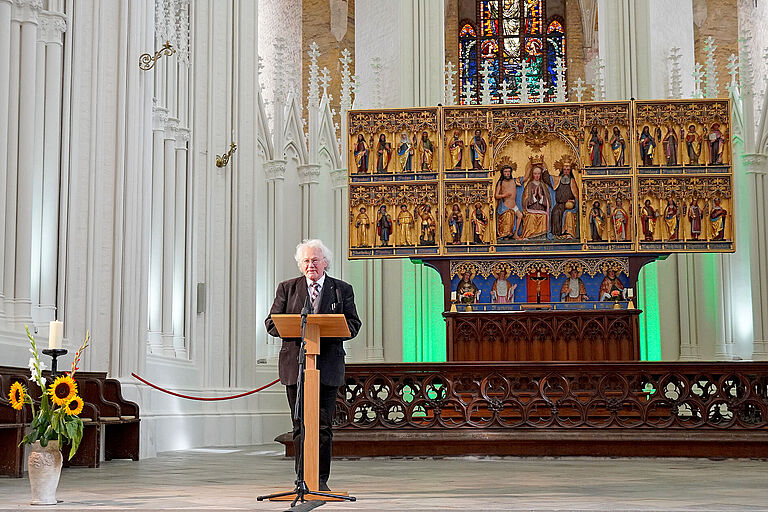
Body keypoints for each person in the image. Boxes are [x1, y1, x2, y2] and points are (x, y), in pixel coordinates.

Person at [265, 239, 361, 493]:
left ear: (325, 262)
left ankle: (320, 479)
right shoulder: (287, 288)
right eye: (306, 261)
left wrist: (327, 330)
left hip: (327, 366)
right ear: (300, 265)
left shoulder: (342, 289)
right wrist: (299, 328)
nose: (311, 265)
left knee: (323, 426)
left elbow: (353, 324)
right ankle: (301, 479)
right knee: (300, 424)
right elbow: (272, 324)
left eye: (315, 260)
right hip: (295, 367)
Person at [546, 157, 578, 238]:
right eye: (564, 169)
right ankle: (556, 234)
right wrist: (544, 168)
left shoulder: (572, 181)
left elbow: (576, 195)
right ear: (562, 170)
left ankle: (565, 233)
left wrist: (574, 202)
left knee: (566, 214)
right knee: (555, 212)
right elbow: (548, 179)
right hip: (559, 204)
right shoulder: (558, 179)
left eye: (568, 169)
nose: (566, 171)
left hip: (568, 205)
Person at [521, 164, 551, 239]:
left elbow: (548, 201)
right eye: (535, 174)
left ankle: (541, 236)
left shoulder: (543, 185)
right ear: (532, 174)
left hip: (541, 209)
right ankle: (529, 235)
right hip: (530, 209)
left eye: (538, 174)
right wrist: (533, 196)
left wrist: (541, 197)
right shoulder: (529, 185)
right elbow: (524, 200)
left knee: (543, 216)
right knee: (531, 217)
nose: (537, 176)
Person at [495, 164, 523, 240]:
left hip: (514, 205)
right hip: (506, 206)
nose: (507, 173)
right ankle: (507, 235)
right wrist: (504, 195)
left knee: (520, 216)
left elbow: (524, 179)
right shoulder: (501, 183)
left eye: (509, 172)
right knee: (507, 224)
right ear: (502, 173)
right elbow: (496, 196)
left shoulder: (514, 181)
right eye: (505, 172)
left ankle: (516, 234)